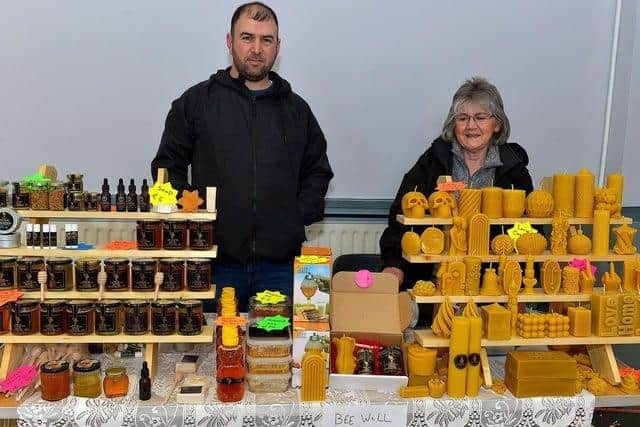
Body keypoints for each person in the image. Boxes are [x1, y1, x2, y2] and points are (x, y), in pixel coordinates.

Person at [151, 2, 333, 311]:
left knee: (273, 353)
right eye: (247, 37)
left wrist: (294, 216)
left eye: (266, 39)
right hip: (214, 265)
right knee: (215, 354)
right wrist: (192, 215)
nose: (256, 49)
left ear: (278, 46)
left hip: (279, 267)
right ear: (229, 41)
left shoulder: (297, 110)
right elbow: (166, 168)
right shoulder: (196, 103)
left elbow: (318, 170)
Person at [380, 76, 533, 290]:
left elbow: (528, 228)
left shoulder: (514, 171)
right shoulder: (434, 160)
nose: (471, 126)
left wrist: (503, 245)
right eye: (462, 118)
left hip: (492, 287)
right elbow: (400, 215)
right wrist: (394, 265)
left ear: (496, 124)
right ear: (454, 124)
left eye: (480, 117)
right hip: (434, 282)